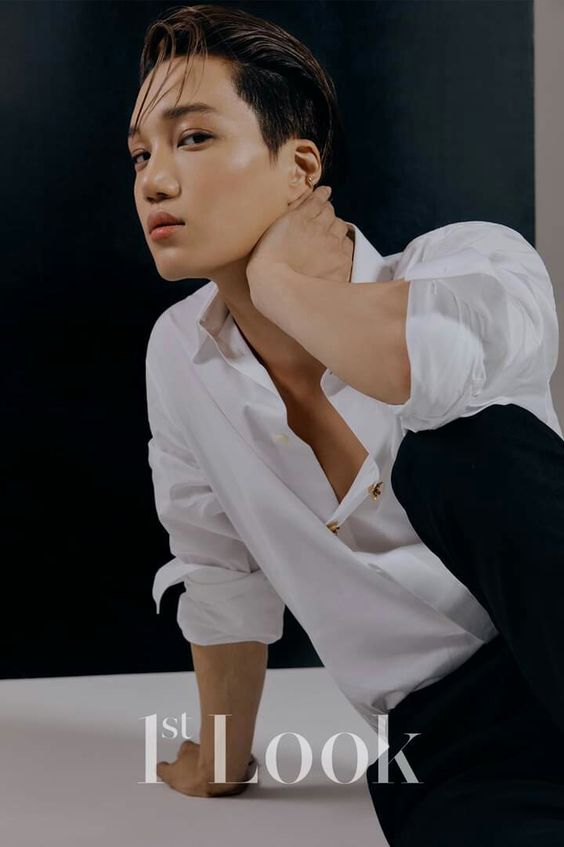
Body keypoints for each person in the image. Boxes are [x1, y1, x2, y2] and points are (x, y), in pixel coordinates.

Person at [129, 5, 564, 841]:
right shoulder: (178, 355)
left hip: (544, 628)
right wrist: (220, 759)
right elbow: (219, 571)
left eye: (193, 138)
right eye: (141, 154)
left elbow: (433, 370)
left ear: (300, 168)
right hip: (451, 742)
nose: (153, 180)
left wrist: (283, 288)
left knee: (464, 446)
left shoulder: (466, 262)